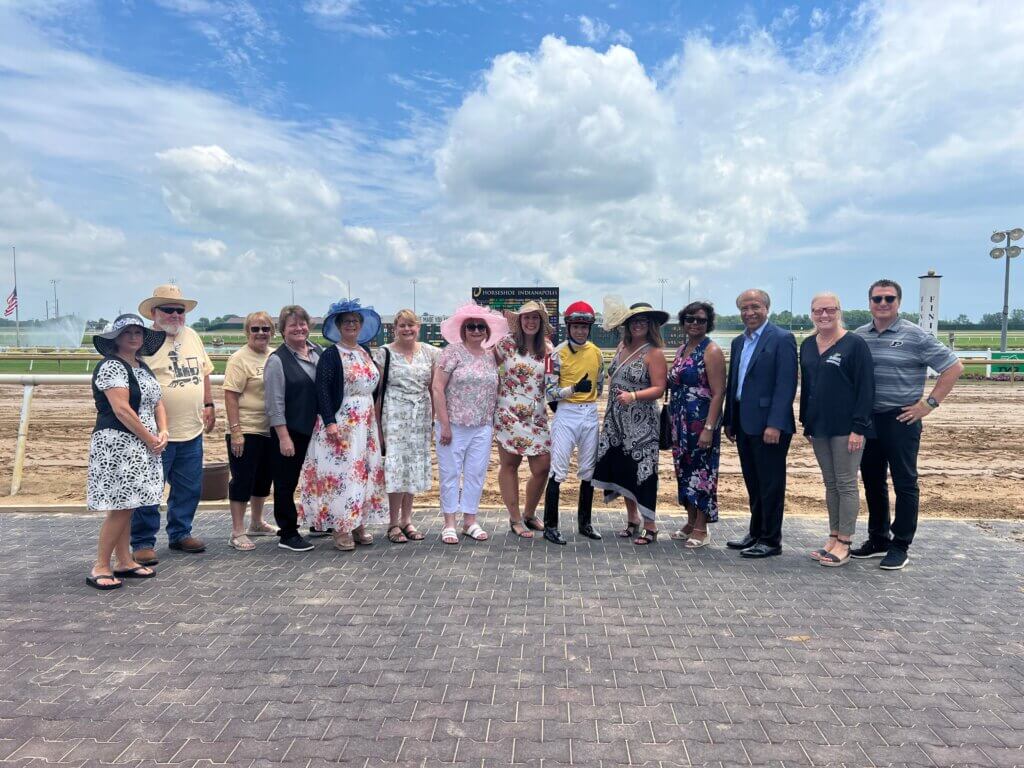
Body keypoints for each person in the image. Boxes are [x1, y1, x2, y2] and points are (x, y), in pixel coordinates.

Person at [851, 279, 963, 570]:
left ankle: (900, 544)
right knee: (873, 481)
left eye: (889, 298)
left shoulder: (915, 336)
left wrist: (929, 404)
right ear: (870, 303)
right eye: (878, 299)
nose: (883, 304)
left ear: (898, 302)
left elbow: (953, 367)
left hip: (902, 418)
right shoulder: (859, 336)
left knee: (904, 482)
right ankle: (878, 539)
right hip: (869, 420)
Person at [131, 285, 214, 565]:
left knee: (189, 487)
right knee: (151, 488)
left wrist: (209, 404)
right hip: (156, 432)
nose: (176, 314)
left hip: (192, 429)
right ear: (154, 313)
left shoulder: (192, 336)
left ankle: (181, 533)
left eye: (180, 310)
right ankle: (142, 541)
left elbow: (204, 373)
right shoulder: (142, 341)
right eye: (168, 309)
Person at [86, 314, 168, 589]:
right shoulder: (111, 367)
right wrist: (149, 437)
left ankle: (123, 560)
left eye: (138, 332)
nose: (134, 337)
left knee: (128, 504)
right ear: (115, 338)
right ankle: (100, 565)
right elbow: (121, 409)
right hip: (118, 443)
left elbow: (157, 402)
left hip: (142, 442)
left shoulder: (142, 367)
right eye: (128, 332)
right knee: (120, 506)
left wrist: (162, 432)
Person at [299, 299, 387, 551]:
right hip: (342, 421)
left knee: (363, 474)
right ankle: (341, 527)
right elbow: (323, 391)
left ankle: (358, 521)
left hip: (365, 422)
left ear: (361, 326)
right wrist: (330, 422)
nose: (352, 325)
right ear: (338, 325)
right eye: (347, 321)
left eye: (356, 321)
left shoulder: (365, 352)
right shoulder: (331, 355)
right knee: (342, 476)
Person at [799, 293, 875, 567]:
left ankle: (845, 541)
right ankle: (833, 535)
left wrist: (859, 427)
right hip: (819, 426)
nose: (824, 315)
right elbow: (807, 387)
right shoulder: (807, 345)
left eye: (830, 310)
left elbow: (866, 389)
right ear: (812, 313)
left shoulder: (854, 344)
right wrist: (805, 421)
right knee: (830, 483)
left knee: (845, 482)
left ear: (839, 311)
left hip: (847, 427)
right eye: (818, 310)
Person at [723, 289, 798, 559]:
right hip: (743, 420)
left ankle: (771, 539)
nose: (749, 313)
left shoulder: (781, 338)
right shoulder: (738, 342)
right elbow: (735, 383)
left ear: (767, 308)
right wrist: (729, 419)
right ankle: (755, 532)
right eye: (744, 308)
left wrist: (775, 424)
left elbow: (786, 384)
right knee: (753, 481)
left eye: (754, 306)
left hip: (769, 424)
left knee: (770, 483)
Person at [591, 299, 668, 545]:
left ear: (651, 325)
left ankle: (651, 525)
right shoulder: (622, 345)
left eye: (643, 321)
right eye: (634, 321)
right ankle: (632, 519)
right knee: (624, 468)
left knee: (643, 472)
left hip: (642, 423)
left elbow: (659, 388)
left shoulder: (654, 352)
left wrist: (633, 395)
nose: (638, 325)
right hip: (616, 418)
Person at [433, 303, 508, 544]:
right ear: (463, 330)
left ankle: (470, 520)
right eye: (471, 327)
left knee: (475, 474)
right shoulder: (451, 353)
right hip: (453, 425)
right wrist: (444, 424)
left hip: (482, 425)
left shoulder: (490, 356)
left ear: (487, 331)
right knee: (450, 473)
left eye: (480, 327)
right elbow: (437, 388)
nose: (476, 331)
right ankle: (449, 523)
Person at [373, 309, 439, 543]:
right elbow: (378, 393)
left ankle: (407, 520)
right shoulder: (384, 354)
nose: (407, 329)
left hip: (420, 414)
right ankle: (393, 523)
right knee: (396, 466)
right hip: (395, 414)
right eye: (402, 325)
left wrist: (433, 419)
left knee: (413, 465)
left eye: (411, 325)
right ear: (395, 328)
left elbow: (434, 388)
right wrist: (378, 429)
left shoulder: (431, 353)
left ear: (418, 327)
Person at [542, 301, 605, 545]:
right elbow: (549, 391)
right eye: (576, 326)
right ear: (568, 327)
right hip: (566, 414)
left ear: (589, 328)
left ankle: (585, 523)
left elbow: (599, 387)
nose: (580, 331)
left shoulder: (597, 353)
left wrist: (584, 395)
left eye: (584, 327)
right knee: (558, 469)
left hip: (589, 412)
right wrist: (572, 390)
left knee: (588, 470)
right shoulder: (555, 354)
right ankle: (551, 526)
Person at [666, 301, 726, 549]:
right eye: (690, 319)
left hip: (700, 421)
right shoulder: (682, 349)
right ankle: (690, 521)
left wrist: (709, 428)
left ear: (708, 323)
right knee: (684, 470)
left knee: (702, 473)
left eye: (700, 320)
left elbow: (718, 392)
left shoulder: (710, 350)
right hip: (679, 421)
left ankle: (702, 527)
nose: (694, 324)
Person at [264, 305, 322, 552]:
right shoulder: (277, 360)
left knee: (319, 479)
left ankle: (320, 522)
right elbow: (274, 402)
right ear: (283, 331)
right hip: (293, 431)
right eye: (292, 326)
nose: (299, 329)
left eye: (302, 324)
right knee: (286, 483)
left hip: (318, 431)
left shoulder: (318, 352)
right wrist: (283, 436)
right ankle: (287, 532)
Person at [494, 300, 553, 538]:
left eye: (535, 318)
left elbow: (551, 380)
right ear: (519, 322)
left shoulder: (548, 348)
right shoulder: (505, 345)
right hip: (508, 415)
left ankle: (529, 513)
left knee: (542, 466)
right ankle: (515, 518)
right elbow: (488, 370)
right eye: (526, 318)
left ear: (540, 322)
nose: (530, 322)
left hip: (536, 415)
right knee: (510, 465)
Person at [222, 311, 278, 551]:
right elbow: (231, 396)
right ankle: (237, 530)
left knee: (264, 479)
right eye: (255, 329)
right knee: (243, 479)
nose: (260, 333)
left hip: (270, 428)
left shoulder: (276, 356)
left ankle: (257, 522)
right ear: (247, 332)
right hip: (246, 428)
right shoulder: (239, 359)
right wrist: (236, 432)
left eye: (265, 329)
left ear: (272, 332)